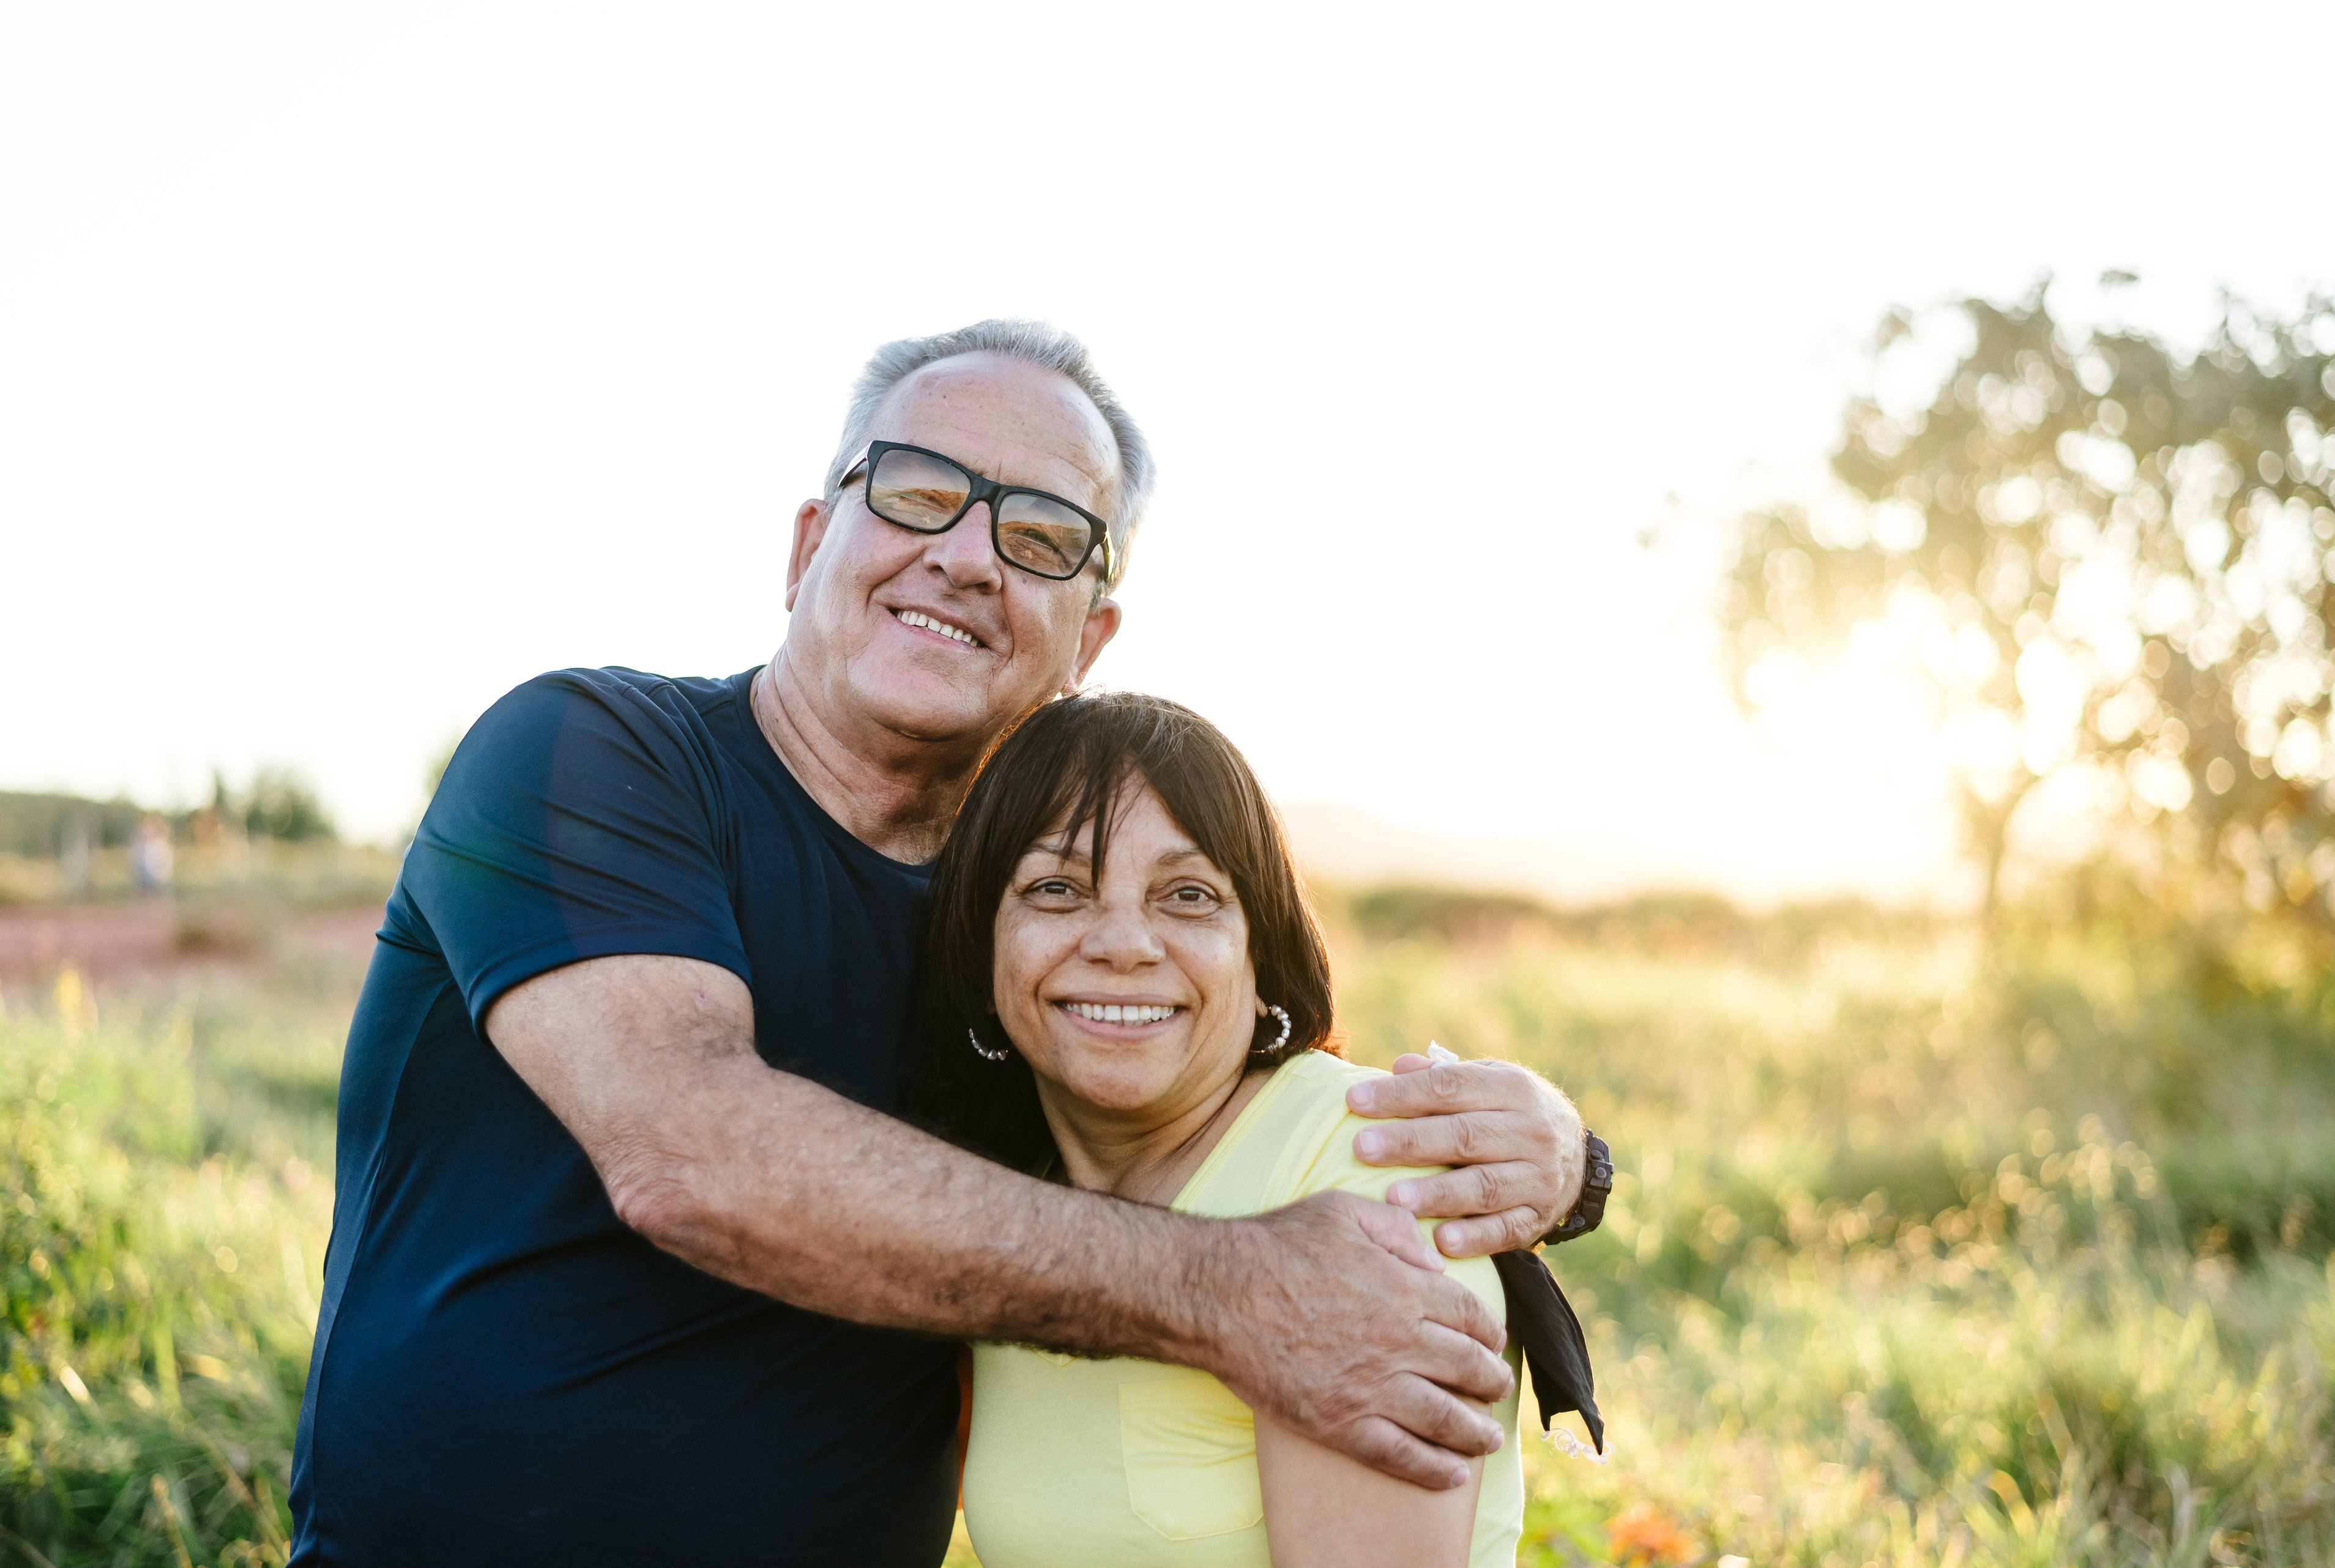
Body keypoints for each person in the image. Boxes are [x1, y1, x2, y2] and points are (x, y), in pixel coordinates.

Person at [289, 320, 1598, 1566]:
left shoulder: (1028, 927)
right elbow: (690, 1154)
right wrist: (1239, 1291)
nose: (968, 555)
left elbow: (1219, 1099)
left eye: (1042, 534)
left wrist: (1564, 1159)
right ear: (807, 546)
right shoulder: (587, 754)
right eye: (917, 492)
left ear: (1089, 637)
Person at [910, 691, 1528, 1567]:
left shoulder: (1367, 1174)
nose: (1124, 943)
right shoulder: (1006, 1200)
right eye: (1055, 888)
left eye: (1189, 895)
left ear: (1259, 947)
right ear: (980, 945)